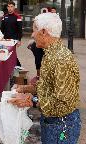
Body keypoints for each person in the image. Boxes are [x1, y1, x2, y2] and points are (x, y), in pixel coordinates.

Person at [9, 13, 81, 143]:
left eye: (34, 29)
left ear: (43, 32)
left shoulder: (60, 59)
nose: (32, 34)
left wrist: (33, 102)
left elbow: (62, 104)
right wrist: (25, 88)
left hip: (61, 125)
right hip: (53, 121)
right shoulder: (51, 53)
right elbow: (48, 86)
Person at [1, 0, 22, 66]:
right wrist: (1, 37)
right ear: (7, 7)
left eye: (11, 6)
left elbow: (20, 29)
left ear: (14, 7)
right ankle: (9, 66)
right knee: (6, 53)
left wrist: (19, 40)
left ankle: (18, 66)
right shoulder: (4, 17)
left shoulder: (17, 17)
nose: (10, 8)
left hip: (14, 40)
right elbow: (2, 29)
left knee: (12, 53)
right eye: (9, 6)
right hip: (6, 39)